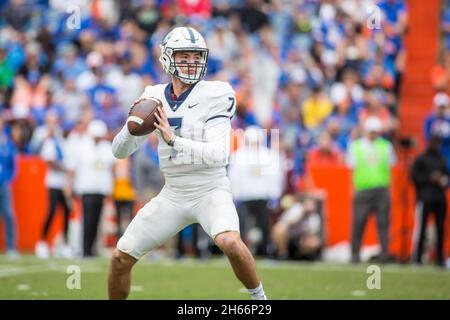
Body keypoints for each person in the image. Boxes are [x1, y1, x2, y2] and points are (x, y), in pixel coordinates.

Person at [109, 26, 267, 300]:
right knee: (120, 258)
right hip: (173, 193)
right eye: (184, 56)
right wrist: (131, 124)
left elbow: (220, 154)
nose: (192, 62)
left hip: (210, 188)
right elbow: (119, 152)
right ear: (167, 58)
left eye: (196, 57)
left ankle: (260, 300)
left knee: (229, 241)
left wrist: (172, 140)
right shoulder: (154, 95)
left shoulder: (216, 93)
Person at [346, 116, 396, 263]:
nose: (373, 134)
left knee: (383, 223)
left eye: (375, 131)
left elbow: (391, 166)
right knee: (358, 223)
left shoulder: (386, 146)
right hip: (363, 189)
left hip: (381, 189)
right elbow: (351, 168)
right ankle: (355, 254)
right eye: (370, 131)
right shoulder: (356, 146)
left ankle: (384, 253)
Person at [66, 119, 116, 257]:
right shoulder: (82, 146)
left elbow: (112, 169)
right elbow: (72, 168)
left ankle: (92, 248)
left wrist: (111, 188)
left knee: (97, 220)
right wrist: (70, 185)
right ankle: (85, 249)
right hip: (86, 189)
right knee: (87, 219)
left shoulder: (106, 147)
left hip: (101, 189)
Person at [35, 111, 72, 259]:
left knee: (67, 213)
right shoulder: (50, 141)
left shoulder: (63, 142)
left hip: (64, 184)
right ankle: (42, 242)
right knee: (51, 211)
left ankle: (64, 244)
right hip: (54, 183)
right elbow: (49, 161)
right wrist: (66, 170)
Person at [411, 136, 448, 266]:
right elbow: (414, 177)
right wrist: (429, 178)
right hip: (425, 198)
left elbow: (447, 179)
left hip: (439, 198)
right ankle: (418, 257)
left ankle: (439, 257)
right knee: (421, 229)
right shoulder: (421, 159)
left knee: (440, 228)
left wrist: (442, 180)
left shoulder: (441, 159)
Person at [0, 116, 18, 257]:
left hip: (4, 184)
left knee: (8, 214)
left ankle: (11, 247)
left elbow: (13, 164)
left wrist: (9, 179)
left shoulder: (6, 142)